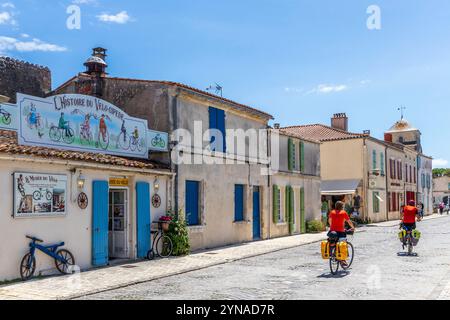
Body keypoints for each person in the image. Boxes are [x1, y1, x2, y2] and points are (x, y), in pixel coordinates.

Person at [328, 201, 355, 267]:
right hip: (341, 232)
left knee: (333, 242)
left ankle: (333, 254)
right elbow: (349, 222)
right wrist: (353, 227)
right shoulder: (343, 213)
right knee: (343, 245)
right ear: (342, 207)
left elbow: (329, 221)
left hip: (332, 232)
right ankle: (343, 260)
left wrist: (332, 227)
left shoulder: (332, 212)